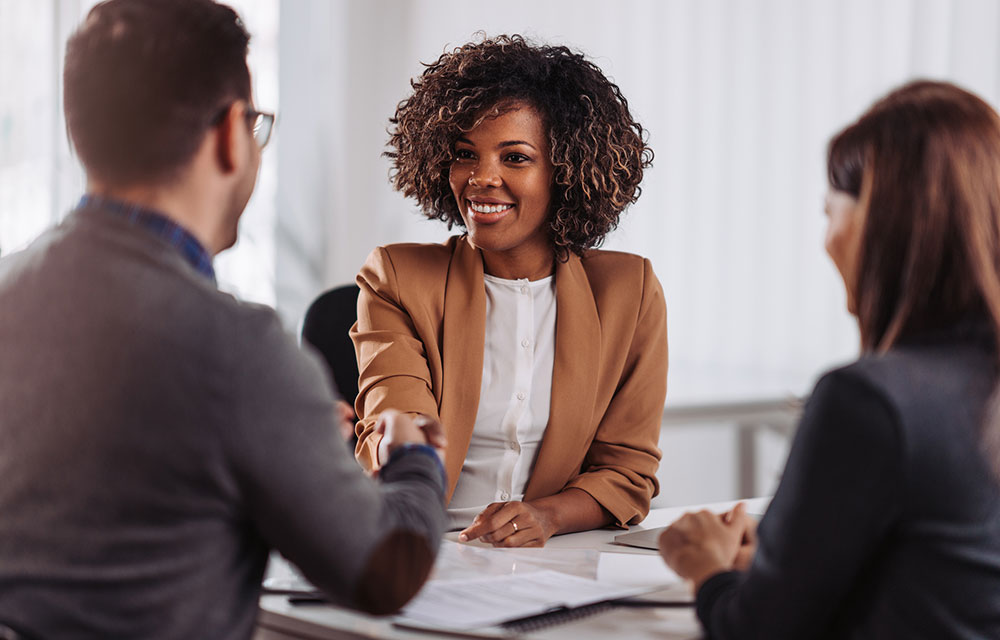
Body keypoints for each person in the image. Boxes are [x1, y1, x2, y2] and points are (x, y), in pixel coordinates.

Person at [0, 1, 447, 638]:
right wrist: (412, 459)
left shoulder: (9, 289)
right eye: (258, 125)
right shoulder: (240, 350)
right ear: (231, 134)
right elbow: (384, 571)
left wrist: (281, 428)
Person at [659, 80, 1000, 638]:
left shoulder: (870, 399)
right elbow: (940, 575)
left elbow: (756, 630)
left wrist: (706, 568)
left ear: (880, 221)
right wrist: (786, 552)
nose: (826, 239)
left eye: (829, 211)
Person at [351, 35, 666, 547]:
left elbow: (626, 472)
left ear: (564, 172)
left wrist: (546, 516)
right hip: (420, 547)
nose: (480, 178)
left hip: (552, 558)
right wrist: (395, 444)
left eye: (514, 158)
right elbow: (399, 421)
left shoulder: (628, 292)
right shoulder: (397, 278)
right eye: (464, 154)